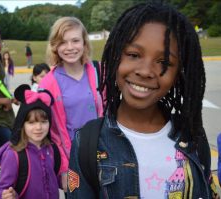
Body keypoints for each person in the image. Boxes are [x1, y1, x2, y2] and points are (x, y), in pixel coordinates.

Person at [67, 3, 219, 199]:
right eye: (133, 55)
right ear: (115, 57)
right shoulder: (88, 142)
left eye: (164, 62)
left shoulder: (193, 137)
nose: (145, 71)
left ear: (178, 74)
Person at [39, 16, 103, 191]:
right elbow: (47, 132)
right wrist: (63, 169)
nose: (70, 48)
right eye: (62, 42)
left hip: (101, 154)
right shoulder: (48, 84)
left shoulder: (98, 72)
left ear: (84, 43)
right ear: (55, 46)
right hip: (71, 160)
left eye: (75, 40)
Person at [0, 84, 60, 199]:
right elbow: (0, 190)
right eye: (31, 123)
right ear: (22, 124)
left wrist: (75, 181)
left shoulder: (52, 149)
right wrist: (5, 195)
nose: (39, 127)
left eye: (44, 122)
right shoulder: (13, 154)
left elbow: (60, 179)